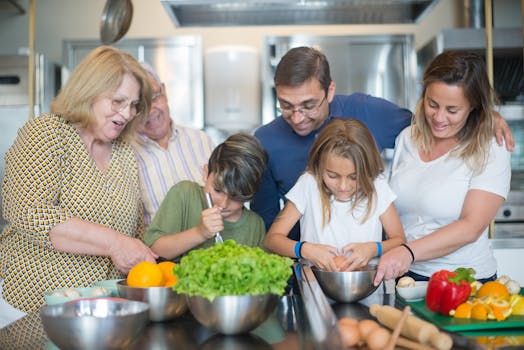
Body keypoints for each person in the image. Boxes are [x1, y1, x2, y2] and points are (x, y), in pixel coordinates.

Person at [251, 46, 514, 242]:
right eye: (286, 106)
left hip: (369, 267)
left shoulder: (368, 111)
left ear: (330, 91)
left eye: (308, 105)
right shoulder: (265, 141)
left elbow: (433, 122)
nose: (297, 118)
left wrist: (482, 114)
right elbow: (266, 222)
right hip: (305, 270)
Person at [0, 46, 157, 326]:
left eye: (133, 105)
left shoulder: (124, 152)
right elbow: (32, 213)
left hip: (98, 311)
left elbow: (134, 228)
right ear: (89, 91)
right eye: (118, 101)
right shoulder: (48, 133)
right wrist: (116, 244)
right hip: (29, 306)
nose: (127, 113)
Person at [373, 51, 511, 286]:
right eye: (432, 104)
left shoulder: (491, 146)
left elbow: (471, 227)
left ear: (473, 106)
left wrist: (408, 252)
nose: (438, 117)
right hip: (407, 278)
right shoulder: (408, 138)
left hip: (464, 281)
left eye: (452, 110)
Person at [264, 118, 406, 272]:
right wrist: (304, 249)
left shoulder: (377, 186)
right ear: (319, 165)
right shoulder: (309, 184)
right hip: (314, 285)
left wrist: (374, 248)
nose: (343, 186)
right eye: (333, 176)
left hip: (366, 286)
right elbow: (272, 239)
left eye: (354, 177)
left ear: (368, 170)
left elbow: (399, 240)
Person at [143, 133, 268, 260]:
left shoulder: (255, 225)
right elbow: (154, 250)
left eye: (236, 197)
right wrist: (200, 232)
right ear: (206, 173)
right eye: (218, 190)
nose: (223, 204)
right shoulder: (184, 194)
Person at [133, 62, 215, 225]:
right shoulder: (122, 153)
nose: (150, 111)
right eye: (140, 105)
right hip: (156, 250)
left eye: (155, 97)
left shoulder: (201, 140)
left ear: (165, 91)